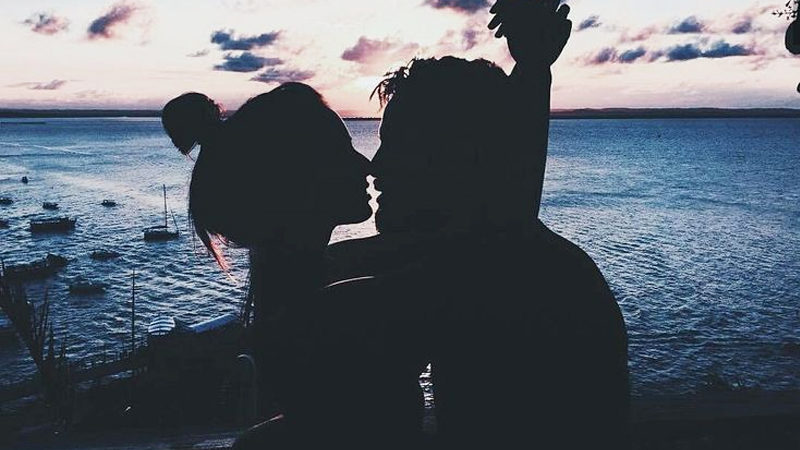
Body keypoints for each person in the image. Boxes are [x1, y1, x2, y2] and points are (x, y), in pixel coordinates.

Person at [327, 1, 630, 448]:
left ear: (458, 157)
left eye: (400, 145)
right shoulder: (496, 258)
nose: (377, 166)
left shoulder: (501, 275)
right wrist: (533, 69)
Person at [161, 83, 426, 448]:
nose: (365, 164)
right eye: (341, 151)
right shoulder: (341, 304)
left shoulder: (288, 282)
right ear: (297, 177)